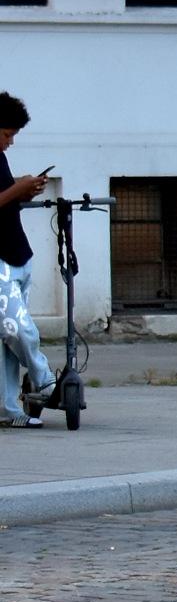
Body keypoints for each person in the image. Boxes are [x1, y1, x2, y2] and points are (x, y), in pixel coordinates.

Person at [0, 94, 58, 424]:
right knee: (17, 330)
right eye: (7, 134)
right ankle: (46, 381)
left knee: (7, 339)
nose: (10, 142)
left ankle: (7, 411)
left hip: (17, 254)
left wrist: (23, 190)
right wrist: (17, 188)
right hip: (2, 259)